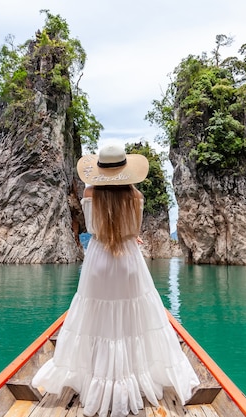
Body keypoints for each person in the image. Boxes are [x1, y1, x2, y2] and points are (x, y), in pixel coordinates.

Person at [32, 143, 199, 417]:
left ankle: (96, 376)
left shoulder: (89, 192)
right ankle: (132, 373)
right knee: (133, 317)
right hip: (128, 260)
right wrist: (131, 236)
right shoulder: (136, 196)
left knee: (95, 317)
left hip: (98, 260)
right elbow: (131, 230)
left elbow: (95, 229)